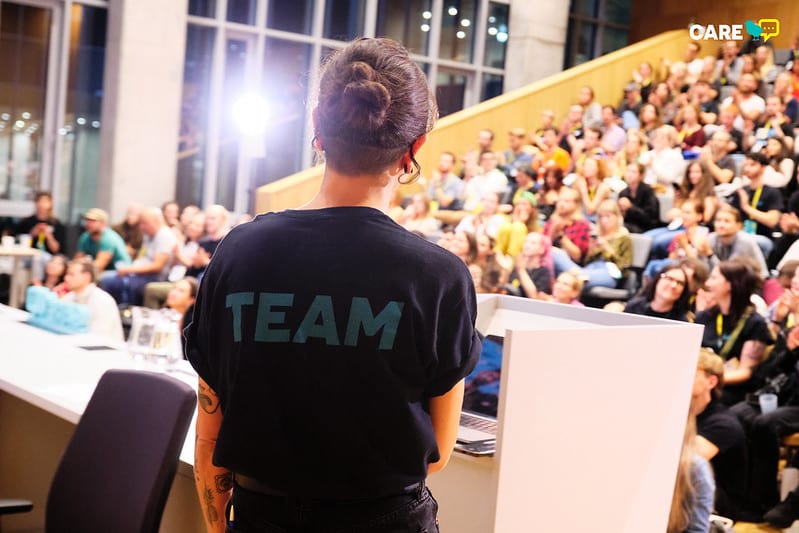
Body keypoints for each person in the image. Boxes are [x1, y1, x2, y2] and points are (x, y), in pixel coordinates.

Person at [185, 37, 480, 533]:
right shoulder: (438, 277)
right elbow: (438, 453)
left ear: (318, 128)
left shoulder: (238, 252)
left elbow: (210, 439)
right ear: (416, 147)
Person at [694, 259, 774, 405]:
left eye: (714, 278)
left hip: (730, 388)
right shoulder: (704, 316)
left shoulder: (754, 323)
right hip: (701, 380)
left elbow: (744, 372)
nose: (707, 284)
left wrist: (708, 381)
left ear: (730, 284)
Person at [692, 349, 749, 521]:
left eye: (692, 373)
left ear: (711, 381)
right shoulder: (684, 412)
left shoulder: (723, 423)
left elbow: (684, 462)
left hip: (720, 503)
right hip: (695, 493)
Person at [100, 207, 178, 306]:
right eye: (140, 223)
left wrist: (129, 270)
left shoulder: (164, 236)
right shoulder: (148, 235)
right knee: (106, 278)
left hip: (154, 277)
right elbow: (142, 257)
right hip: (139, 273)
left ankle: (127, 312)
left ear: (155, 222)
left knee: (116, 281)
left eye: (144, 223)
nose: (141, 227)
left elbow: (157, 267)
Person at [61, 258, 124, 341]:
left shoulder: (103, 300)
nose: (66, 278)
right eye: (66, 274)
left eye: (71, 275)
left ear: (86, 277)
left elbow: (99, 338)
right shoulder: (69, 297)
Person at [14, 191, 67, 283]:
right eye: (40, 201)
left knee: (39, 258)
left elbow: (57, 249)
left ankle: (37, 283)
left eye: (45, 201)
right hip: (27, 255)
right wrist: (32, 234)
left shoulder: (56, 224)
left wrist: (48, 235)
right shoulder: (27, 222)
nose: (42, 205)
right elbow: (17, 242)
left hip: (48, 257)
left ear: (51, 204)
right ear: (36, 203)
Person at [624, 264, 691, 322]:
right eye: (670, 279)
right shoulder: (634, 307)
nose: (674, 285)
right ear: (658, 279)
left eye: (680, 283)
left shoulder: (681, 322)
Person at [74, 208, 132, 275]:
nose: (88, 223)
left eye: (93, 221)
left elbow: (99, 266)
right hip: (104, 271)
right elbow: (77, 260)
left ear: (103, 223)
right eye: (87, 220)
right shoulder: (85, 237)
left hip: (120, 272)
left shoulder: (109, 238)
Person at [617, 162, 659, 234]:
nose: (629, 174)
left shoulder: (648, 191)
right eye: (628, 171)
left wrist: (630, 207)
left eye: (633, 172)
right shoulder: (623, 193)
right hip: (629, 225)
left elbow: (649, 218)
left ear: (641, 175)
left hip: (646, 226)